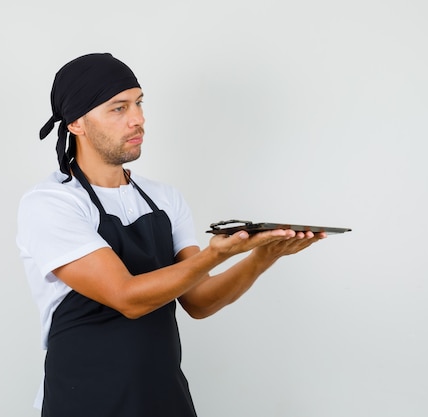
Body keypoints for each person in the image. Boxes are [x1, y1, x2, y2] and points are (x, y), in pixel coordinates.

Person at [17, 52, 326, 417]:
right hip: (84, 400)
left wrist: (261, 257)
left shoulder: (164, 199)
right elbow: (127, 297)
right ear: (76, 124)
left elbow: (199, 300)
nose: (138, 119)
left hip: (163, 398)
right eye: (118, 108)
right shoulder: (52, 203)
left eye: (139, 103)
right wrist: (216, 254)